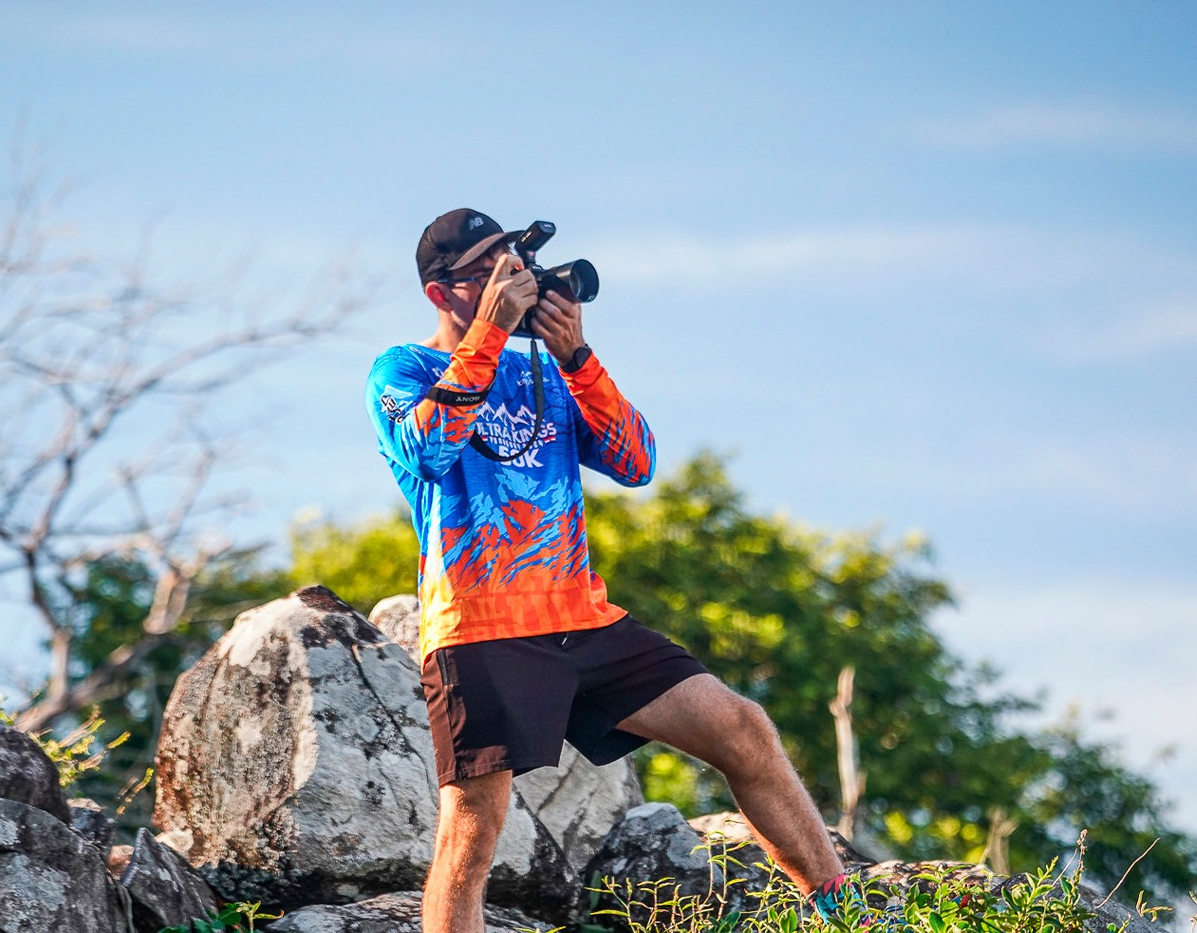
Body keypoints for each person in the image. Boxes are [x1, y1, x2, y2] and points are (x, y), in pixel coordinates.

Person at [366, 209, 857, 933]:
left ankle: (845, 916)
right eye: (491, 272)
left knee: (743, 727)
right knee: (471, 835)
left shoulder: (544, 373)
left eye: (517, 265)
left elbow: (636, 461)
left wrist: (576, 358)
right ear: (443, 295)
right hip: (481, 627)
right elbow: (430, 450)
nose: (516, 281)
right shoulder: (403, 368)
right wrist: (490, 334)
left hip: (582, 620)